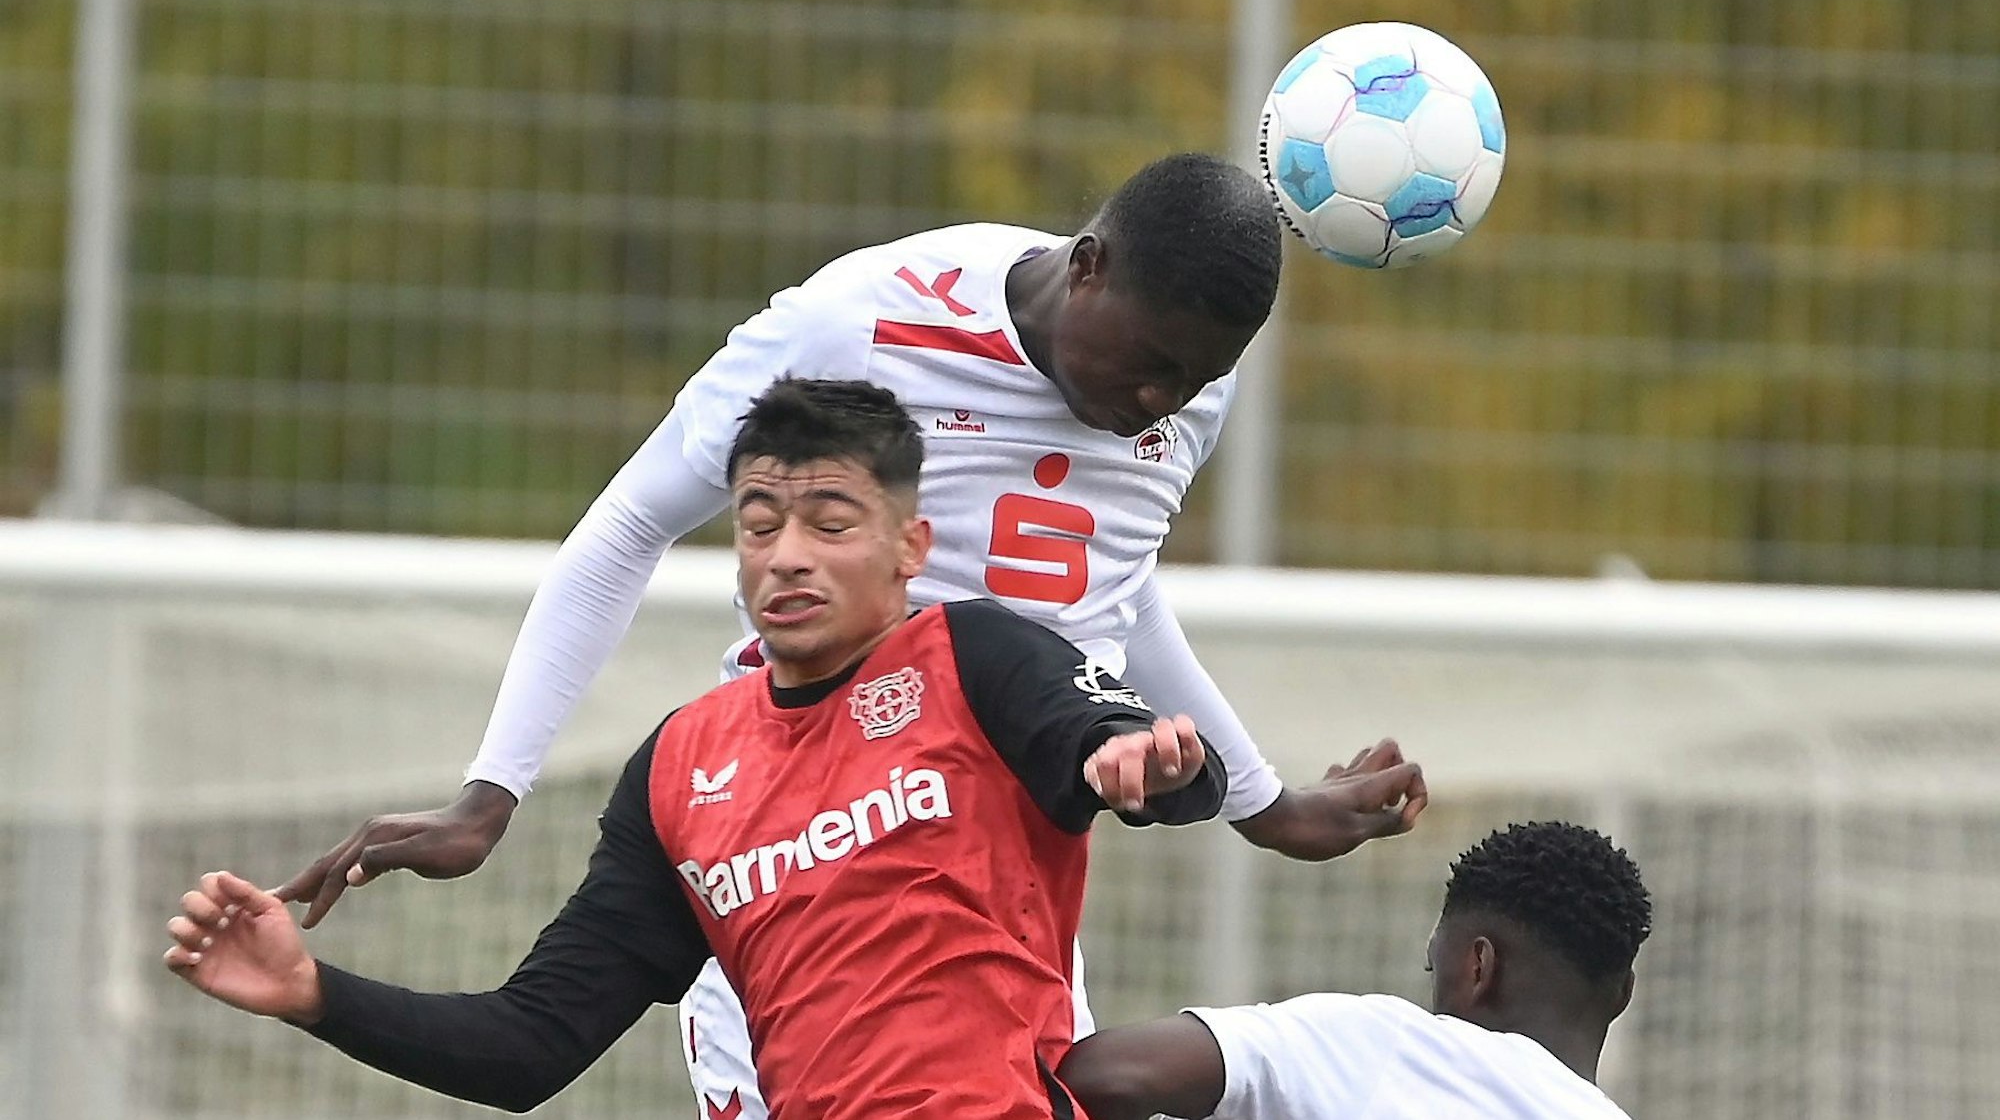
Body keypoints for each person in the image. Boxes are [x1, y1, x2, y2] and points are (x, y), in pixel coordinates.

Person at [278, 151, 1428, 1117]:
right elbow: (631, 522)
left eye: (1193, 382)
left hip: (1003, 887)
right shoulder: (862, 319)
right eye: (1149, 366)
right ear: (1088, 266)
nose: (1154, 406)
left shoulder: (1179, 392)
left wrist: (1252, 798)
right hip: (790, 843)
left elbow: (1106, 592)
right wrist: (493, 789)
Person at [166, 378, 1234, 1119]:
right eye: (759, 522)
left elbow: (1142, 758)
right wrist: (312, 990)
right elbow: (531, 1045)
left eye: (829, 521)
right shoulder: (681, 766)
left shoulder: (976, 657)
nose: (785, 557)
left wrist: (1145, 769)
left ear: (911, 547)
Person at [1057, 821, 1652, 1120]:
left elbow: (1107, 1074)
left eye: (1432, 966)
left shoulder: (1390, 1043)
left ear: (1478, 966)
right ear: (1622, 994)